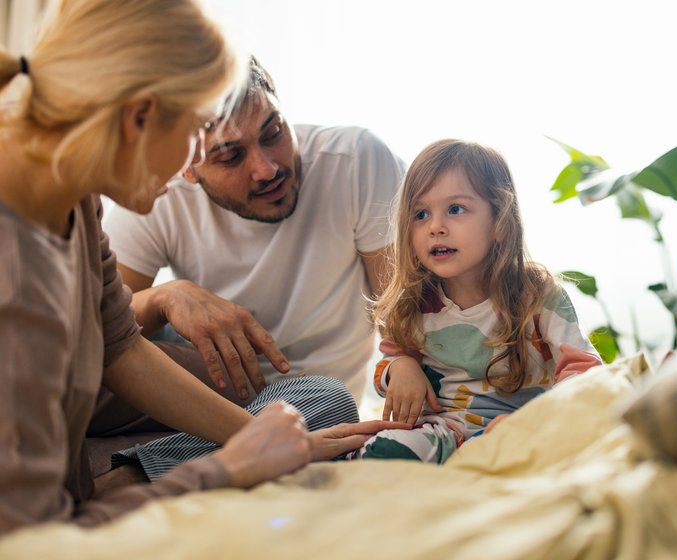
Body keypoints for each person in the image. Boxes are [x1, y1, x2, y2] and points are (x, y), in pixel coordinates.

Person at [0, 0, 403, 535]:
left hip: (81, 451)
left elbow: (119, 345)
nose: (263, 168)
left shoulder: (76, 197)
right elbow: (35, 540)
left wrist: (276, 443)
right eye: (200, 133)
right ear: (140, 117)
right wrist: (226, 469)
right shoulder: (16, 283)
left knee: (321, 400)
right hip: (45, 520)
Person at [102, 57, 405, 406]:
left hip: (311, 395)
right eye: (230, 156)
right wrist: (165, 297)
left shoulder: (355, 162)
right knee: (81, 367)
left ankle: (146, 460)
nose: (267, 168)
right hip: (202, 372)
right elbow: (97, 330)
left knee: (328, 400)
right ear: (187, 165)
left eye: (273, 132)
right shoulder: (159, 193)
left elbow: (404, 318)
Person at [354, 139, 603, 463]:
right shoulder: (414, 304)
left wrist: (542, 420)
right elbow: (385, 370)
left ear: (499, 221)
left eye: (455, 209)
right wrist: (400, 367)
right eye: (420, 214)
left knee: (540, 443)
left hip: (524, 427)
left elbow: (584, 370)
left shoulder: (538, 294)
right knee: (386, 447)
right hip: (445, 429)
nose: (436, 227)